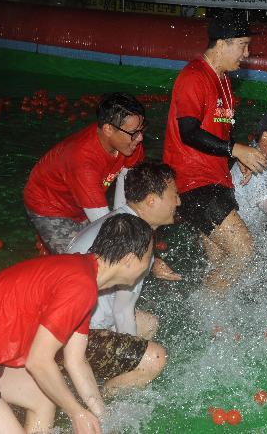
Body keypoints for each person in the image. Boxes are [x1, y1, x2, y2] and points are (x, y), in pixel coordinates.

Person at [0, 214, 155, 434]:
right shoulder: (79, 286)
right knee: (50, 392)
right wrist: (76, 412)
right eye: (148, 256)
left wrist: (104, 418)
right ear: (129, 260)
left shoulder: (81, 272)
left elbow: (76, 361)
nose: (150, 263)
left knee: (43, 399)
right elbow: (38, 362)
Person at [163, 10, 267, 293]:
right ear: (221, 44)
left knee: (221, 260)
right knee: (244, 252)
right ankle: (202, 308)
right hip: (194, 183)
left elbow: (220, 129)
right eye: (242, 45)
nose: (246, 53)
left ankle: (213, 324)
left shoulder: (224, 80)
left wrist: (236, 156)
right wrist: (235, 149)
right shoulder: (194, 76)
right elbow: (188, 131)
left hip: (216, 179)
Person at [66, 162, 182, 396]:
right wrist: (136, 357)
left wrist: (152, 265)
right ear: (151, 201)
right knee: (154, 358)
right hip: (72, 335)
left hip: (71, 324)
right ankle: (108, 400)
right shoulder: (135, 243)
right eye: (175, 195)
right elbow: (122, 311)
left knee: (148, 324)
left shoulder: (121, 220)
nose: (178, 202)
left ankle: (91, 381)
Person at [24, 92, 146, 253]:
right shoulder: (83, 162)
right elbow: (108, 228)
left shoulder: (130, 145)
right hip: (49, 205)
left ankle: (49, 242)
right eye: (134, 133)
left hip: (82, 199)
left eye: (141, 129)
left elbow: (122, 205)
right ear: (108, 129)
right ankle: (47, 236)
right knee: (82, 259)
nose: (140, 138)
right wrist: (143, 253)